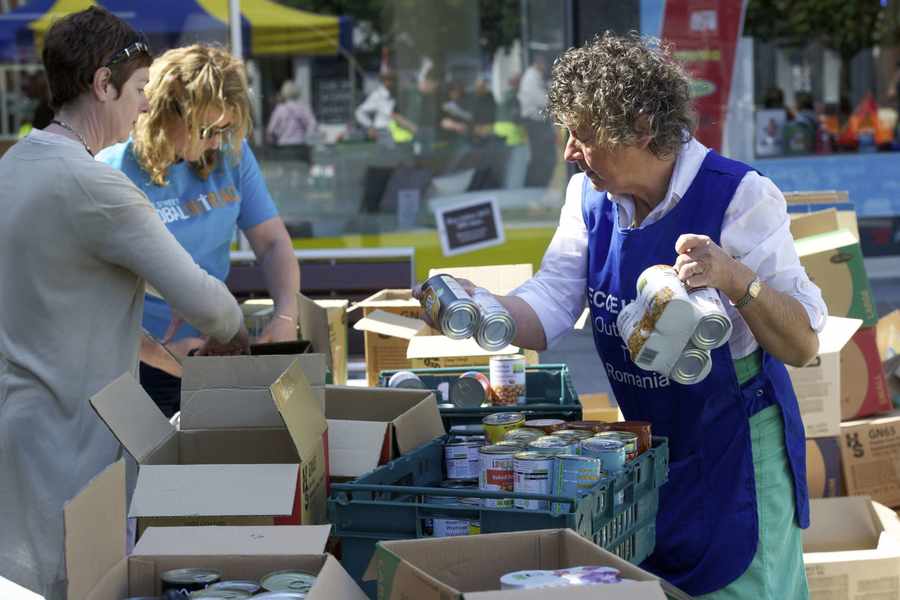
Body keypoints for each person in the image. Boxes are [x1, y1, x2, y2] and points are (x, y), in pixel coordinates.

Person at [448, 34, 827, 598]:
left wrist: (733, 278)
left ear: (643, 126)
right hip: (650, 448)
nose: (570, 152)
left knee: (746, 583)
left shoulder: (741, 196)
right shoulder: (588, 198)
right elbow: (551, 303)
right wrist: (477, 305)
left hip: (736, 444)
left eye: (583, 135)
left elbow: (803, 344)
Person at [0, 8, 248, 598]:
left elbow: (70, 304)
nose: (143, 105)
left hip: (18, 440)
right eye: (137, 89)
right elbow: (211, 306)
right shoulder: (97, 185)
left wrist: (170, 359)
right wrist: (240, 335)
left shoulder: (12, 167)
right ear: (101, 84)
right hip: (74, 454)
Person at [97, 44, 301, 418]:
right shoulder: (112, 170)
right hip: (139, 363)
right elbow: (94, 303)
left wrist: (286, 316)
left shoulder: (231, 154)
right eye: (208, 129)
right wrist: (160, 352)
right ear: (164, 112)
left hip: (215, 351)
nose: (217, 142)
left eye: (228, 129)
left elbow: (272, 243)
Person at [518, 53, 558, 187]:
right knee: (539, 158)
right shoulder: (531, 77)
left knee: (542, 157)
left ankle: (537, 185)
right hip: (535, 123)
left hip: (538, 123)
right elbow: (543, 100)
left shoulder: (536, 77)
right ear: (540, 63)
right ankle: (533, 186)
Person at [266, 79, 317, 146]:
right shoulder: (303, 108)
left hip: (283, 144)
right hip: (300, 144)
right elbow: (313, 124)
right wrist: (307, 135)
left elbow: (271, 130)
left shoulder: (280, 109)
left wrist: (277, 136)